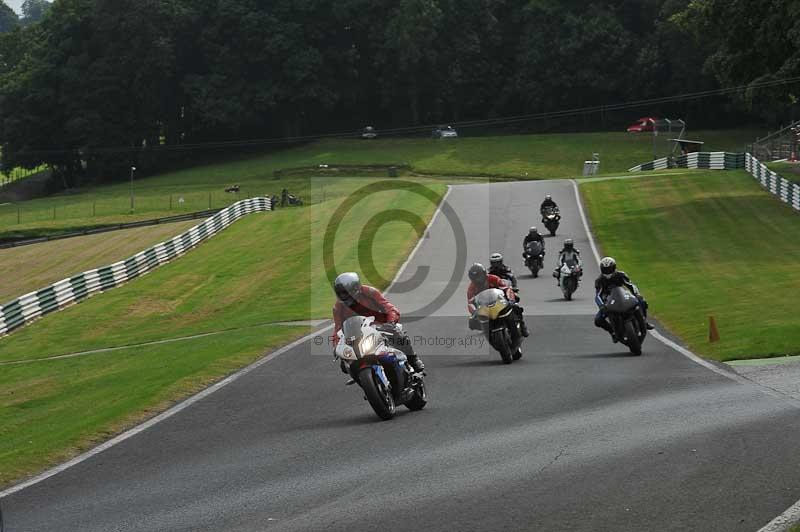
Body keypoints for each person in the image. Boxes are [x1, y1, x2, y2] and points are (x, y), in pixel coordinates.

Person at [332, 272, 425, 373]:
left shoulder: (370, 292)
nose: (343, 295)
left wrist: (391, 322)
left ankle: (413, 359)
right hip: (358, 334)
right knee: (346, 364)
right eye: (340, 293)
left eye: (345, 292)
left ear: (355, 288)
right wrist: (337, 346)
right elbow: (338, 329)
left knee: (397, 333)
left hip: (381, 326)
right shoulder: (338, 307)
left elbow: (389, 308)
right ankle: (362, 377)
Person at [593, 257, 654, 341]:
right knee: (598, 320)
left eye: (610, 269)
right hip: (608, 302)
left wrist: (637, 294)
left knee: (642, 302)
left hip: (623, 297)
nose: (608, 272)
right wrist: (602, 306)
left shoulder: (621, 275)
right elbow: (597, 296)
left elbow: (631, 285)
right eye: (605, 270)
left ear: (614, 267)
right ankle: (612, 332)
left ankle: (644, 322)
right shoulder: (599, 280)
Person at [466, 263, 529, 337]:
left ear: (484, 274)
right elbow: (470, 303)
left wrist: (511, 299)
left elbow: (506, 289)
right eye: (475, 278)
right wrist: (474, 312)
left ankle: (522, 326)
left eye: (479, 277)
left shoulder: (493, 278)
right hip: (485, 307)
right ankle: (488, 330)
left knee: (516, 307)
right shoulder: (471, 287)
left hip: (500, 301)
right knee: (472, 321)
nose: (478, 280)